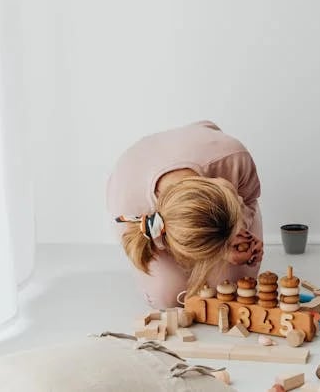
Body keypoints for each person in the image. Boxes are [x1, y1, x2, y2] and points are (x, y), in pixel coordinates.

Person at [106, 120, 263, 308]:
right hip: (136, 171)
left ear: (220, 184)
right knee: (168, 298)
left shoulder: (234, 158)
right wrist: (219, 249)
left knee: (234, 288)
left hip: (203, 146)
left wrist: (238, 231)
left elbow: (250, 197)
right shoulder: (127, 203)